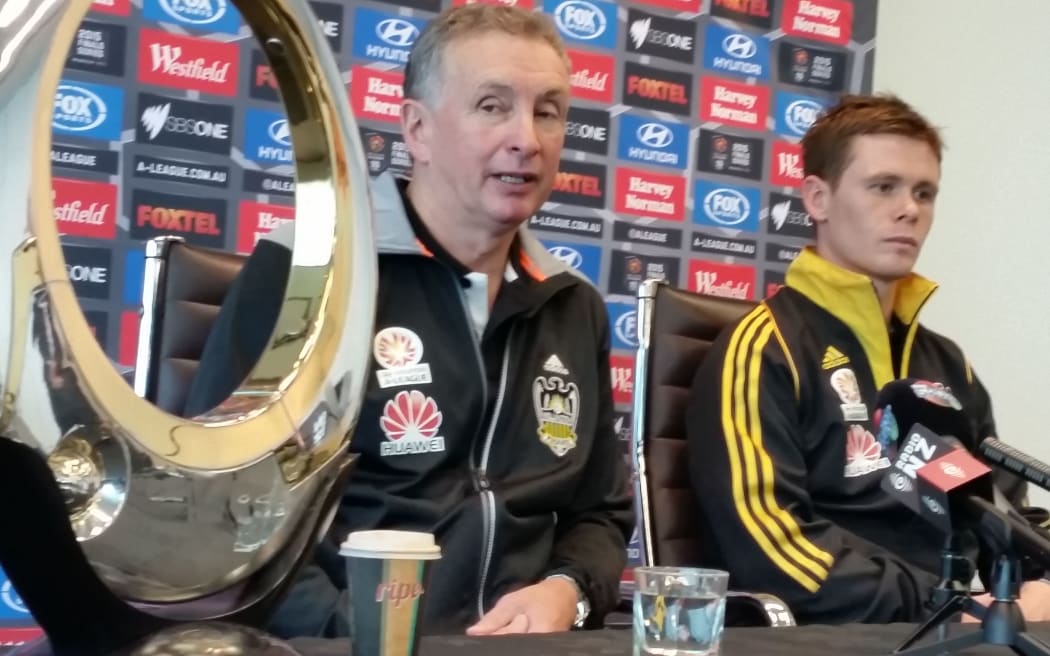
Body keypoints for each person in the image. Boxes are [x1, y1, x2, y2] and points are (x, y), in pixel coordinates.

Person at [183, 4, 633, 638]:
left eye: (548, 111)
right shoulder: (311, 274)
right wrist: (350, 630)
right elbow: (223, 508)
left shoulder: (573, 303)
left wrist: (569, 592)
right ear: (417, 129)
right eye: (492, 106)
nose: (527, 139)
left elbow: (602, 515)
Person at [684, 94, 1050, 624]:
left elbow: (1003, 515)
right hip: (826, 636)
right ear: (817, 198)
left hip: (948, 629)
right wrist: (951, 607)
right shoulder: (763, 347)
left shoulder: (947, 363)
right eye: (884, 187)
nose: (910, 209)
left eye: (924, 192)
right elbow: (771, 548)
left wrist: (1039, 576)